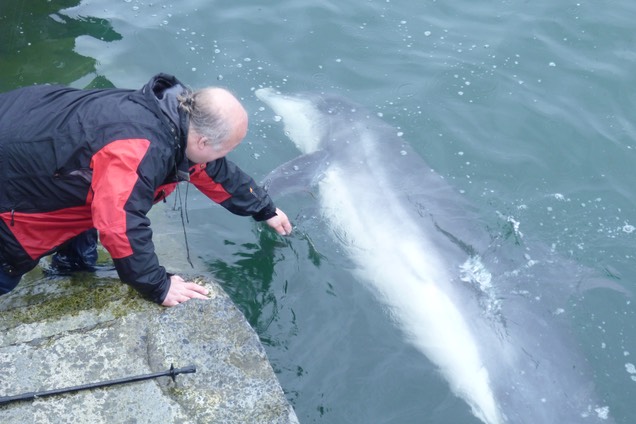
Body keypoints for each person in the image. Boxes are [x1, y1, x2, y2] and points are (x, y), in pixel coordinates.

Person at [0, 73, 292, 306]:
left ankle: (68, 270)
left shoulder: (174, 115)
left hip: (33, 130)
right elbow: (121, 225)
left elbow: (212, 170)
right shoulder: (136, 152)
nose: (223, 156)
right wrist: (158, 285)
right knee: (7, 267)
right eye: (226, 148)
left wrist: (264, 208)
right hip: (14, 182)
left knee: (86, 224)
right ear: (203, 142)